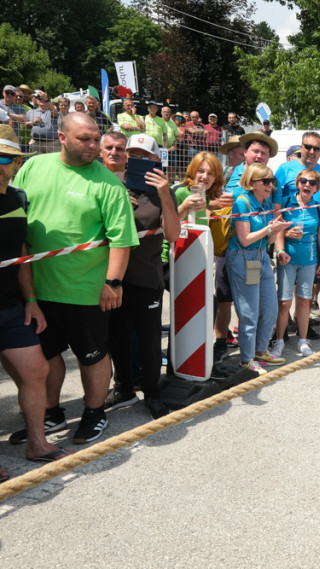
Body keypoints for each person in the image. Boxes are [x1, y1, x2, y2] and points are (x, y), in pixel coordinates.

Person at [12, 113, 138, 444]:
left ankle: (94, 413)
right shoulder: (34, 167)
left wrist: (113, 283)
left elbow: (121, 240)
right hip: (38, 290)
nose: (94, 146)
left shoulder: (109, 185)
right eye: (85, 139)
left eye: (96, 139)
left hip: (86, 291)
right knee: (48, 355)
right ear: (63, 138)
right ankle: (50, 414)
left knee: (92, 355)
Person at [0, 125, 70, 468]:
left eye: (7, 158)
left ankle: (37, 444)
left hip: (12, 307)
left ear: (15, 163)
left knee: (37, 370)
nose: (1, 164)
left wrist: (30, 301)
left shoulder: (17, 198)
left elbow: (22, 253)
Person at [101, 133, 179, 419]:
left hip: (146, 276)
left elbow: (172, 234)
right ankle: (124, 389)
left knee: (148, 339)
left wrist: (164, 196)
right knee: (116, 336)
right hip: (111, 277)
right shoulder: (111, 184)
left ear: (157, 159)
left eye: (146, 156)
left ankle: (152, 392)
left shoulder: (163, 189)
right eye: (134, 154)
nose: (139, 160)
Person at [168, 152, 233, 364]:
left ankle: (193, 361)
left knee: (207, 304)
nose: (204, 176)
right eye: (201, 171)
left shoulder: (208, 197)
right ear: (192, 171)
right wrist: (184, 207)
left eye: (210, 173)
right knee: (190, 307)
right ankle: (177, 362)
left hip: (194, 260)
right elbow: (165, 225)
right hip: (169, 259)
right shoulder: (179, 191)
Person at [226, 162, 290, 374]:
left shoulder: (267, 202)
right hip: (244, 258)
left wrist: (276, 231)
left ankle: (260, 351)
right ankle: (246, 359)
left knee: (270, 309)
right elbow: (244, 239)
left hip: (261, 257)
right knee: (249, 313)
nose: (271, 185)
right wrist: (270, 228)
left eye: (272, 181)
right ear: (252, 183)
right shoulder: (242, 202)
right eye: (266, 181)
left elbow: (268, 238)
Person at [270, 169, 320, 358]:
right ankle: (279, 340)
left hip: (309, 260)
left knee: (305, 301)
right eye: (303, 181)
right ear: (297, 184)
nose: (307, 185)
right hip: (287, 259)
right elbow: (277, 229)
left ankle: (302, 340)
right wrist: (280, 249)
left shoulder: (319, 207)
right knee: (285, 302)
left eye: (312, 183)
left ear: (316, 188)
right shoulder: (286, 203)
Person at [25, 90, 59, 155]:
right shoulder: (30, 112)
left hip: (51, 143)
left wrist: (46, 98)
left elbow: (54, 113)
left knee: (52, 163)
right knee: (36, 163)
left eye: (43, 98)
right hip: (35, 142)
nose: (42, 100)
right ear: (36, 100)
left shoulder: (51, 110)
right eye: (39, 98)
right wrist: (33, 122)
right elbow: (25, 125)